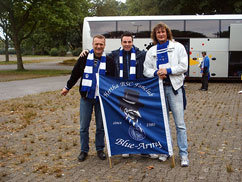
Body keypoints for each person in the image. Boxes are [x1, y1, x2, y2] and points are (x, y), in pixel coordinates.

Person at [80, 31, 158, 159]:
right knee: (124, 120)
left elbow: (152, 62)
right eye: (124, 42)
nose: (127, 44)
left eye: (129, 42)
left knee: (139, 121)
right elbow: (98, 53)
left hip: (137, 92)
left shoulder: (141, 54)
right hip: (120, 93)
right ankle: (126, 147)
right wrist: (86, 51)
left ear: (133, 42)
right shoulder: (114, 56)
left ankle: (144, 148)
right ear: (121, 43)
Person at [61, 35, 115, 162]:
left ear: (104, 45)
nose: (98, 46)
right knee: (83, 126)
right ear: (92, 44)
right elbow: (75, 74)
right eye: (96, 44)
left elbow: (112, 81)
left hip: (101, 99)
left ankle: (100, 149)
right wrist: (67, 87)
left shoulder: (110, 61)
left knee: (100, 126)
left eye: (101, 44)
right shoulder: (84, 58)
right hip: (86, 97)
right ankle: (84, 150)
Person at [143, 22, 189, 167]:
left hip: (175, 89)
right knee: (163, 124)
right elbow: (146, 70)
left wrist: (168, 71)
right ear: (155, 35)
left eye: (163, 32)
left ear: (167, 33)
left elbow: (184, 66)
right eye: (158, 33)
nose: (161, 34)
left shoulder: (178, 47)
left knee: (180, 124)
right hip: (159, 90)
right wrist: (156, 73)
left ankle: (183, 155)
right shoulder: (152, 51)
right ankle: (165, 151)